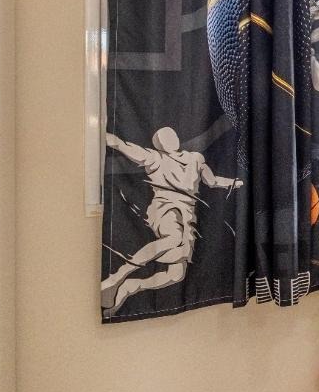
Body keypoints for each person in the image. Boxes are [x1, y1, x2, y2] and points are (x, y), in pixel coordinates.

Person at [101, 125, 242, 316]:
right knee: (173, 237)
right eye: (164, 137)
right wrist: (101, 133)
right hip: (165, 207)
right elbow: (121, 145)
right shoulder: (155, 158)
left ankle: (131, 287)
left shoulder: (195, 159)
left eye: (171, 134)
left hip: (188, 214)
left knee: (176, 275)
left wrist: (235, 182)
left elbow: (212, 181)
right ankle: (118, 275)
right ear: (158, 144)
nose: (170, 138)